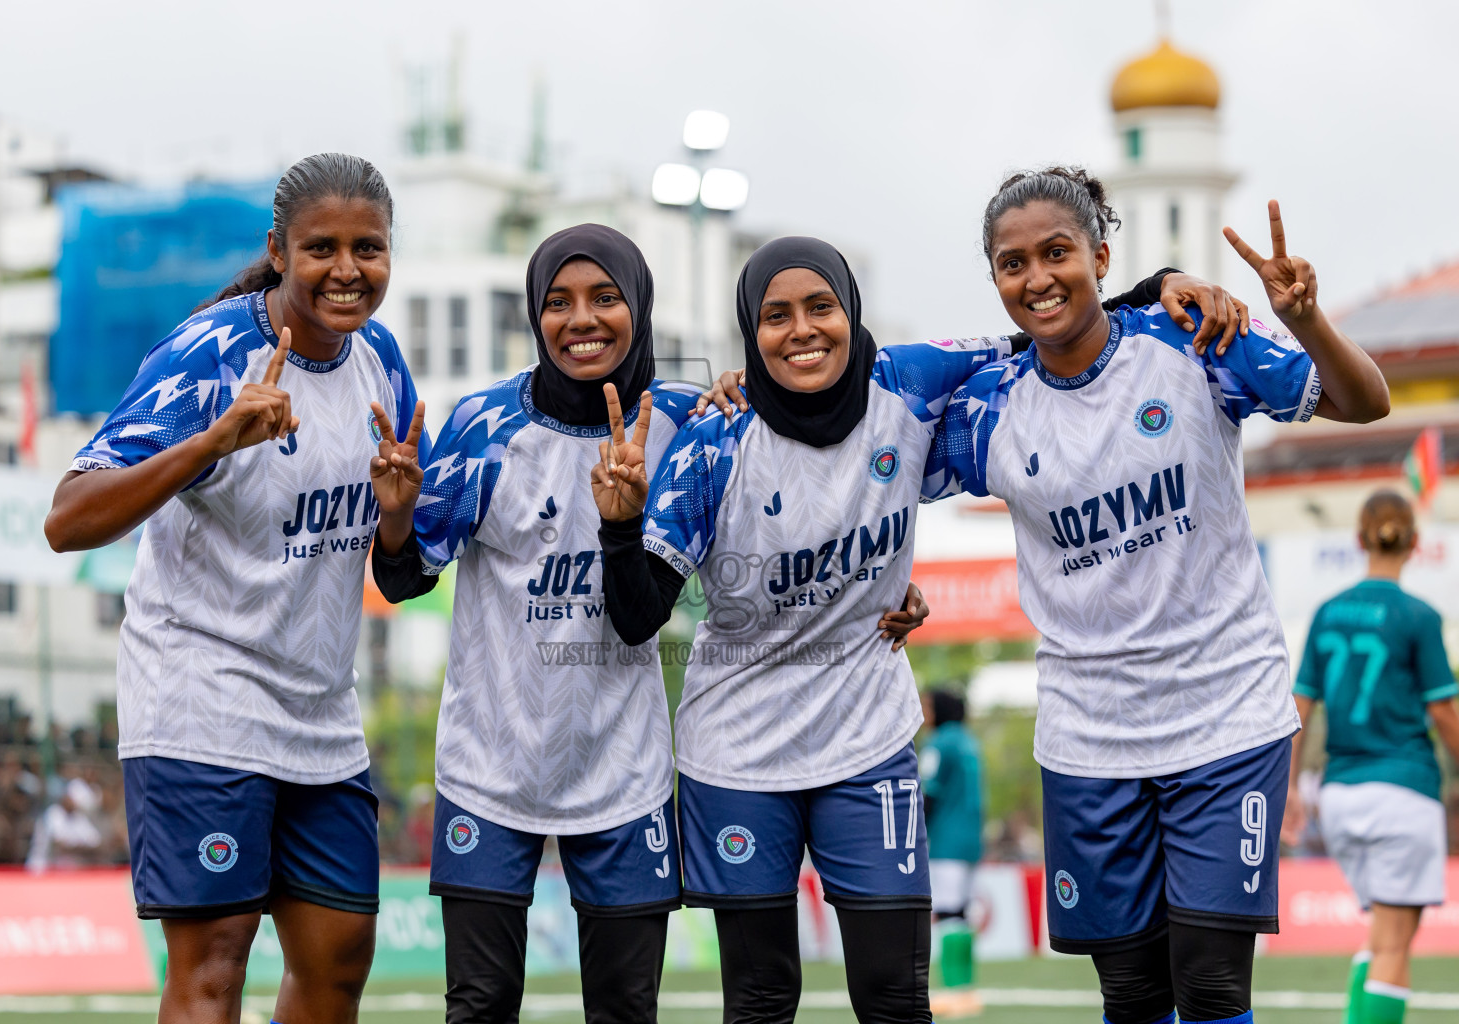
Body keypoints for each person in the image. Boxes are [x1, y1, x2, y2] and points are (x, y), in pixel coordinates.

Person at [594, 233, 1227, 1023]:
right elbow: (635, 617)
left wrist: (1161, 283)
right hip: (738, 756)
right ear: (749, 336)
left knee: (895, 999)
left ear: (850, 312)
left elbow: (1048, 322)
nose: (802, 331)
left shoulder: (910, 379)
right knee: (761, 1000)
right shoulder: (718, 439)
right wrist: (619, 530)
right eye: (776, 316)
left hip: (868, 742)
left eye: (820, 307)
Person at [369, 223, 929, 1022]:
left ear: (639, 305)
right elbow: (402, 577)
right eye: (558, 302)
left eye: (605, 298)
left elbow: (795, 495)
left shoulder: (689, 420)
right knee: (481, 1004)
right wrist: (393, 521)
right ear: (534, 315)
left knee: (627, 1010)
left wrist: (883, 592)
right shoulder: (483, 424)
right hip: (489, 767)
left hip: (624, 773)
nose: (581, 319)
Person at [939, 167, 1390, 1024]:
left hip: (1226, 718)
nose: (1036, 278)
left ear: (1101, 256)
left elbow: (1366, 402)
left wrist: (1302, 321)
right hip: (1089, 739)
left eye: (1058, 253)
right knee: (1133, 992)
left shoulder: (1192, 341)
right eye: (1012, 263)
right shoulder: (984, 407)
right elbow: (855, 451)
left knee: (1213, 984)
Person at [43, 153, 424, 1024]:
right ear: (279, 251)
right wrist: (209, 445)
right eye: (320, 247)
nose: (346, 270)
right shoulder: (212, 351)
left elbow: (400, 569)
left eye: (368, 248)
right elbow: (67, 519)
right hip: (201, 701)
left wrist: (397, 516)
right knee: (214, 967)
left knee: (337, 964)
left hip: (322, 715)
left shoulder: (381, 362)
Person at [1286, 491, 1459, 1024]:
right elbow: (1446, 713)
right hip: (1402, 790)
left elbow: (1299, 709)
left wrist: (1288, 788)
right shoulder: (1419, 616)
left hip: (1338, 796)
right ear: (1414, 542)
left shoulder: (1327, 612)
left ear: (1360, 539)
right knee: (1394, 945)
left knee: (1386, 934)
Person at [919, 689, 983, 1014]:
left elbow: (929, 793)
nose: (923, 712)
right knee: (960, 914)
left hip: (945, 841)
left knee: (946, 914)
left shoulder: (939, 743)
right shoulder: (968, 741)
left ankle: (956, 993)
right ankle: (968, 991)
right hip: (971, 839)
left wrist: (914, 834)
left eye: (927, 705)